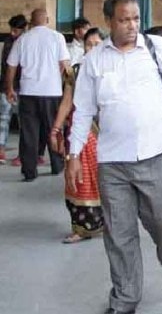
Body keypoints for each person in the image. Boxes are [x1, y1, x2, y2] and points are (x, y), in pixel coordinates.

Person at [68, 0, 162, 314]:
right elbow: (83, 110)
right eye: (124, 19)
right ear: (109, 21)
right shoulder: (95, 60)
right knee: (119, 234)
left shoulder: (157, 48)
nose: (132, 25)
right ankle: (125, 298)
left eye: (136, 18)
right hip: (113, 163)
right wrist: (73, 155)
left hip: (158, 155)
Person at [48, 27, 105, 244]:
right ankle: (82, 227)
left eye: (97, 44)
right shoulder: (76, 70)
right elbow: (67, 101)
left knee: (106, 180)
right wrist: (55, 129)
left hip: (109, 134)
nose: (93, 49)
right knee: (79, 178)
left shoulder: (113, 69)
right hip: (81, 133)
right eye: (89, 45)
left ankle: (104, 223)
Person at [5, 8, 70, 181]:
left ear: (31, 22)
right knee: (53, 129)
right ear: (47, 19)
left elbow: (11, 66)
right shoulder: (58, 37)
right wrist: (64, 84)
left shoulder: (23, 39)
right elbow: (65, 64)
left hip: (28, 92)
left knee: (29, 133)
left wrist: (9, 88)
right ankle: (57, 165)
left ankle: (29, 171)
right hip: (52, 92)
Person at [0, 13, 27, 165]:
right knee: (4, 119)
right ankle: (1, 149)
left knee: (24, 122)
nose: (12, 33)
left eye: (15, 30)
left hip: (24, 87)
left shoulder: (27, 42)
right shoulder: (9, 42)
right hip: (7, 86)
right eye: (11, 30)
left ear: (24, 29)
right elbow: (5, 66)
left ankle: (23, 153)